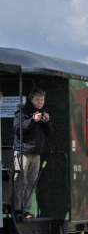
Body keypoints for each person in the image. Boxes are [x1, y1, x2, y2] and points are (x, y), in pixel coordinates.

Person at [13, 87, 51, 219]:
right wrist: (32, 120)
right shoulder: (23, 112)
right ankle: (18, 210)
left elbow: (49, 133)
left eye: (42, 100)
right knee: (20, 181)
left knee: (31, 183)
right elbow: (18, 129)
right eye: (37, 100)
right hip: (23, 152)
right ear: (31, 100)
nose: (40, 102)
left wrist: (47, 121)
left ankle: (27, 210)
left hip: (37, 153)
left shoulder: (42, 113)